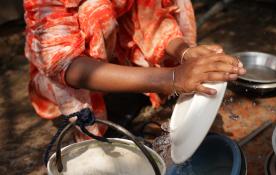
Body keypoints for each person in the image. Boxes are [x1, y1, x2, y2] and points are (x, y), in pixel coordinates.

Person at [24, 0, 246, 141]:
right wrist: (171, 78)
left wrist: (184, 51)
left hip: (112, 45)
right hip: (65, 72)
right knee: (95, 9)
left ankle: (132, 80)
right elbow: (66, 65)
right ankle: (90, 112)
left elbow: (147, 16)